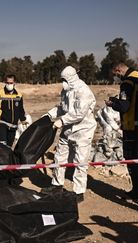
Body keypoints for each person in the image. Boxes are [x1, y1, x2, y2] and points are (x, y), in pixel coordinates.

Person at [43, 66, 97, 203]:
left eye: (64, 79)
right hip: (67, 130)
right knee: (59, 157)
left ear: (71, 78)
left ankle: (78, 192)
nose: (62, 82)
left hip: (83, 130)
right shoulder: (66, 91)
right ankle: (56, 185)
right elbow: (63, 108)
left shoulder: (83, 90)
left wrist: (61, 120)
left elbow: (79, 113)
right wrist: (49, 115)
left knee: (80, 162)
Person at [106, 62, 138, 200]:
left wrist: (113, 104)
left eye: (115, 74)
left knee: (131, 158)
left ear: (118, 70)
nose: (116, 78)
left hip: (132, 126)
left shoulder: (127, 82)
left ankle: (137, 190)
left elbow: (125, 107)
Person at [0, 74, 28, 147]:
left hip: (13, 126)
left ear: (14, 83)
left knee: (9, 148)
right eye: (7, 83)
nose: (9, 84)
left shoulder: (19, 95)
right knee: (2, 146)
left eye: (11, 83)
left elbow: (20, 109)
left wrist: (23, 119)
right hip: (2, 124)